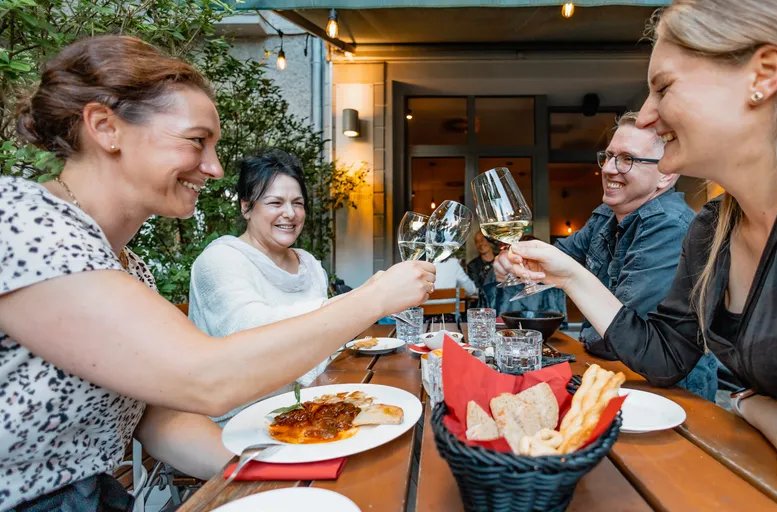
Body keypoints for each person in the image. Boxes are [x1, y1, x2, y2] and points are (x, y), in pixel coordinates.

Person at [502, 1, 777, 508]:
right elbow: (666, 357)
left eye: (663, 87)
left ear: (763, 75)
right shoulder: (712, 227)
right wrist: (567, 275)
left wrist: (750, 404)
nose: (647, 114)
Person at [0, 35, 434, 511]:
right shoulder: (21, 223)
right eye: (196, 141)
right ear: (106, 127)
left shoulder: (128, 266)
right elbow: (206, 379)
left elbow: (160, 417)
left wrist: (283, 473)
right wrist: (374, 296)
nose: (214, 167)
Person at [495, 111, 718, 401]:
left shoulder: (670, 226)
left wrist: (565, 275)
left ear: (666, 175)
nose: (610, 169)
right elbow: (558, 257)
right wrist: (515, 263)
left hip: (669, 395)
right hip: (613, 374)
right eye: (609, 156)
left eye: (628, 159)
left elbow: (627, 337)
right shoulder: (605, 217)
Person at [189, 149, 333, 424]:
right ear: (246, 207)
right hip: (238, 420)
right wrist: (360, 303)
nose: (290, 214)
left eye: (298, 203)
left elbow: (324, 347)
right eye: (275, 202)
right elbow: (254, 335)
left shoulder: (310, 265)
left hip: (312, 407)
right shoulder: (220, 260)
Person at [466, 232, 497, 302]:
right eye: (477, 242)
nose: (480, 244)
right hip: (484, 302)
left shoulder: (501, 259)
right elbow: (476, 289)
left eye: (482, 240)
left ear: (489, 241)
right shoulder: (472, 265)